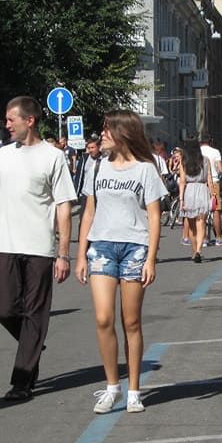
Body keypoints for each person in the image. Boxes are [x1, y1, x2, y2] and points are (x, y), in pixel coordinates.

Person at [0, 96, 77, 402]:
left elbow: (63, 206)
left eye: (11, 120)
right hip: (5, 244)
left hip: (39, 247)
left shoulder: (53, 157)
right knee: (6, 309)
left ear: (29, 120)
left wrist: (63, 253)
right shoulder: (4, 155)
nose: (6, 125)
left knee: (35, 312)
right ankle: (32, 342)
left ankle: (22, 381)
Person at [77, 111, 165, 415]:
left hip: (135, 248)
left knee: (131, 321)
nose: (101, 136)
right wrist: (80, 254)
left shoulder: (145, 170)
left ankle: (133, 390)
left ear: (122, 133)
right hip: (101, 247)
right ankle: (112, 386)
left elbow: (154, 216)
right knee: (103, 318)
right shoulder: (96, 166)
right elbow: (88, 211)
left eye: (106, 131)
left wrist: (151, 258)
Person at [178, 138, 211, 263]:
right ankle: (198, 250)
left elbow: (182, 181)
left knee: (191, 225)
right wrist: (213, 194)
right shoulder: (205, 160)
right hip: (202, 190)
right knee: (201, 222)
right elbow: (209, 179)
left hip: (189, 192)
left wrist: (181, 199)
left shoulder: (184, 162)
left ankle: (194, 251)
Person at [199, 133, 222, 245]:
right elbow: (220, 169)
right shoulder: (215, 152)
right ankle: (219, 238)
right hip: (214, 181)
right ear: (211, 141)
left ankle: (204, 239)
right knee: (215, 209)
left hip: (200, 183)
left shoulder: (197, 151)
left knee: (202, 210)